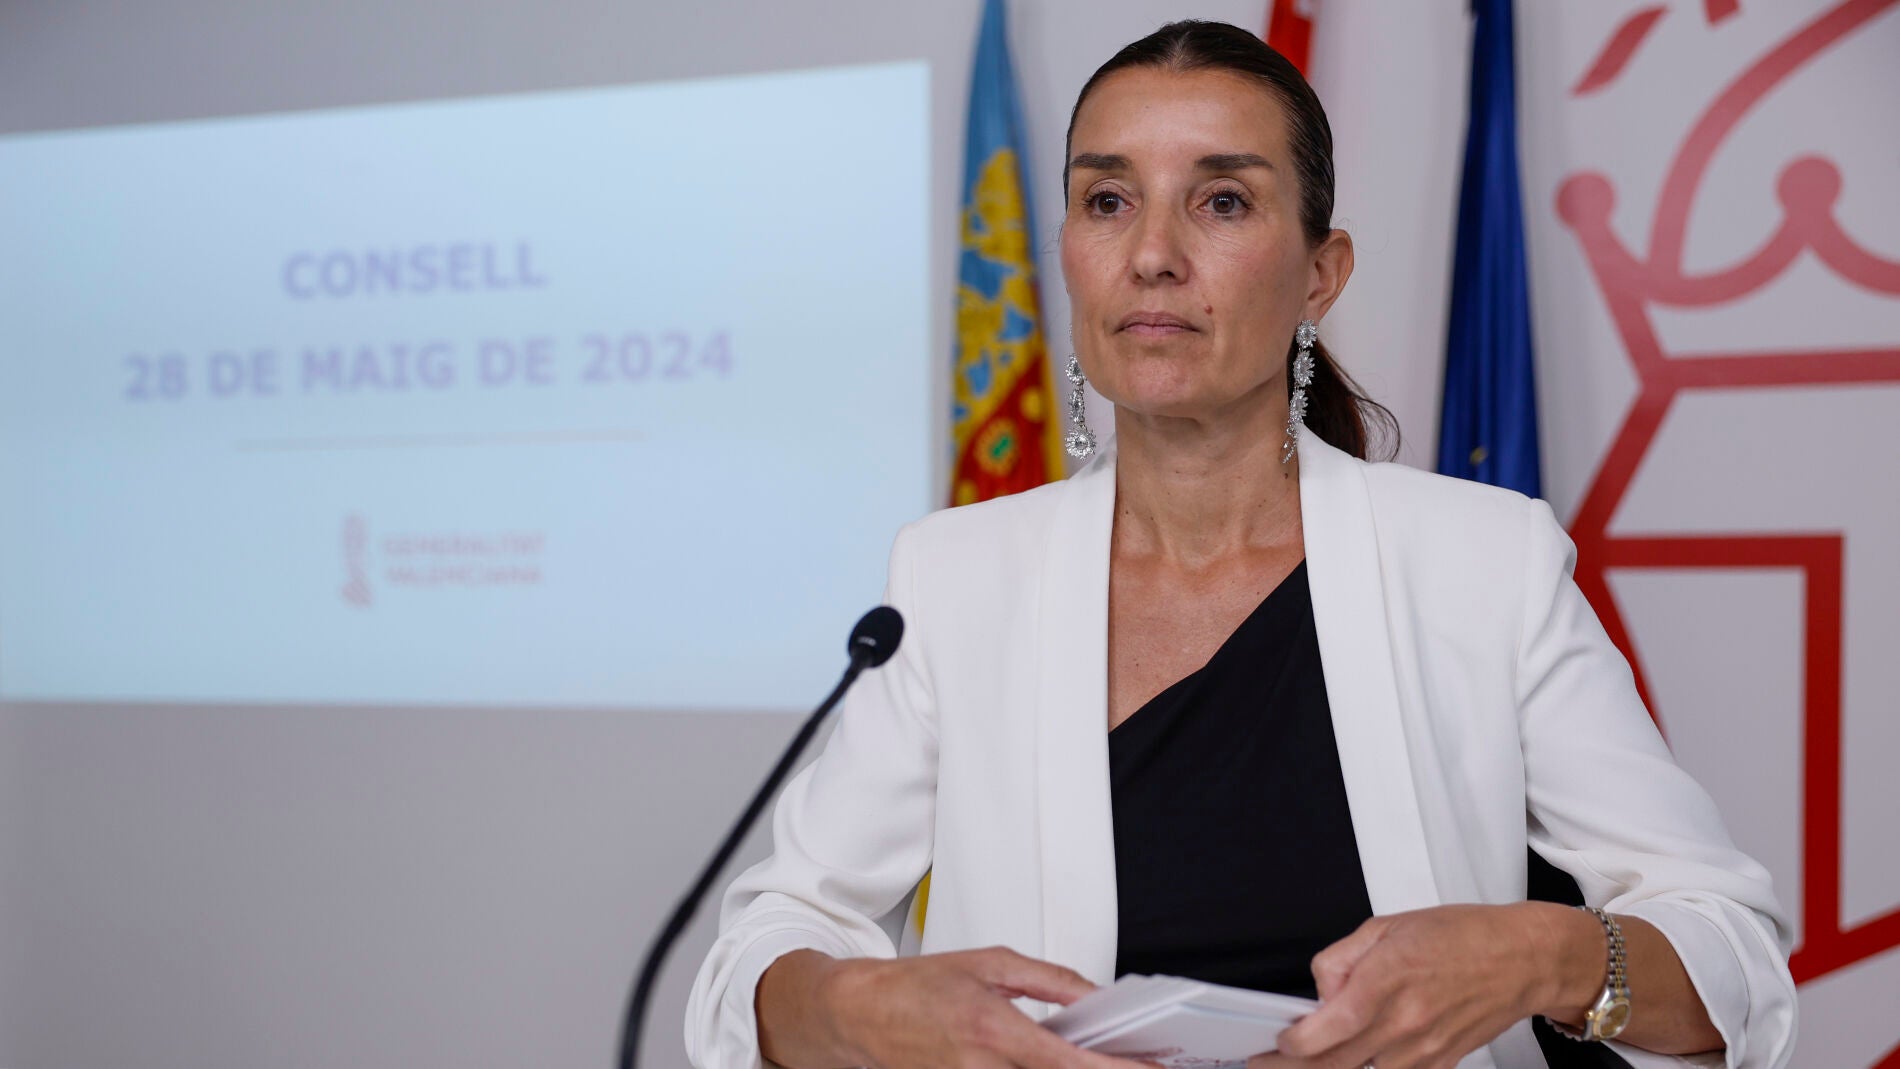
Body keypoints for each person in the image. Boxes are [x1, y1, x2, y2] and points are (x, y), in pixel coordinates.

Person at [685, 20, 1795, 1069]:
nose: (1152, 254)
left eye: (1221, 201)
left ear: (1321, 273)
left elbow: (1732, 955)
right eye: (1107, 200)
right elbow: (759, 953)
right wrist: (861, 1007)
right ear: (1065, 252)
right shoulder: (954, 576)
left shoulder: (1487, 563)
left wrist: (1544, 954)